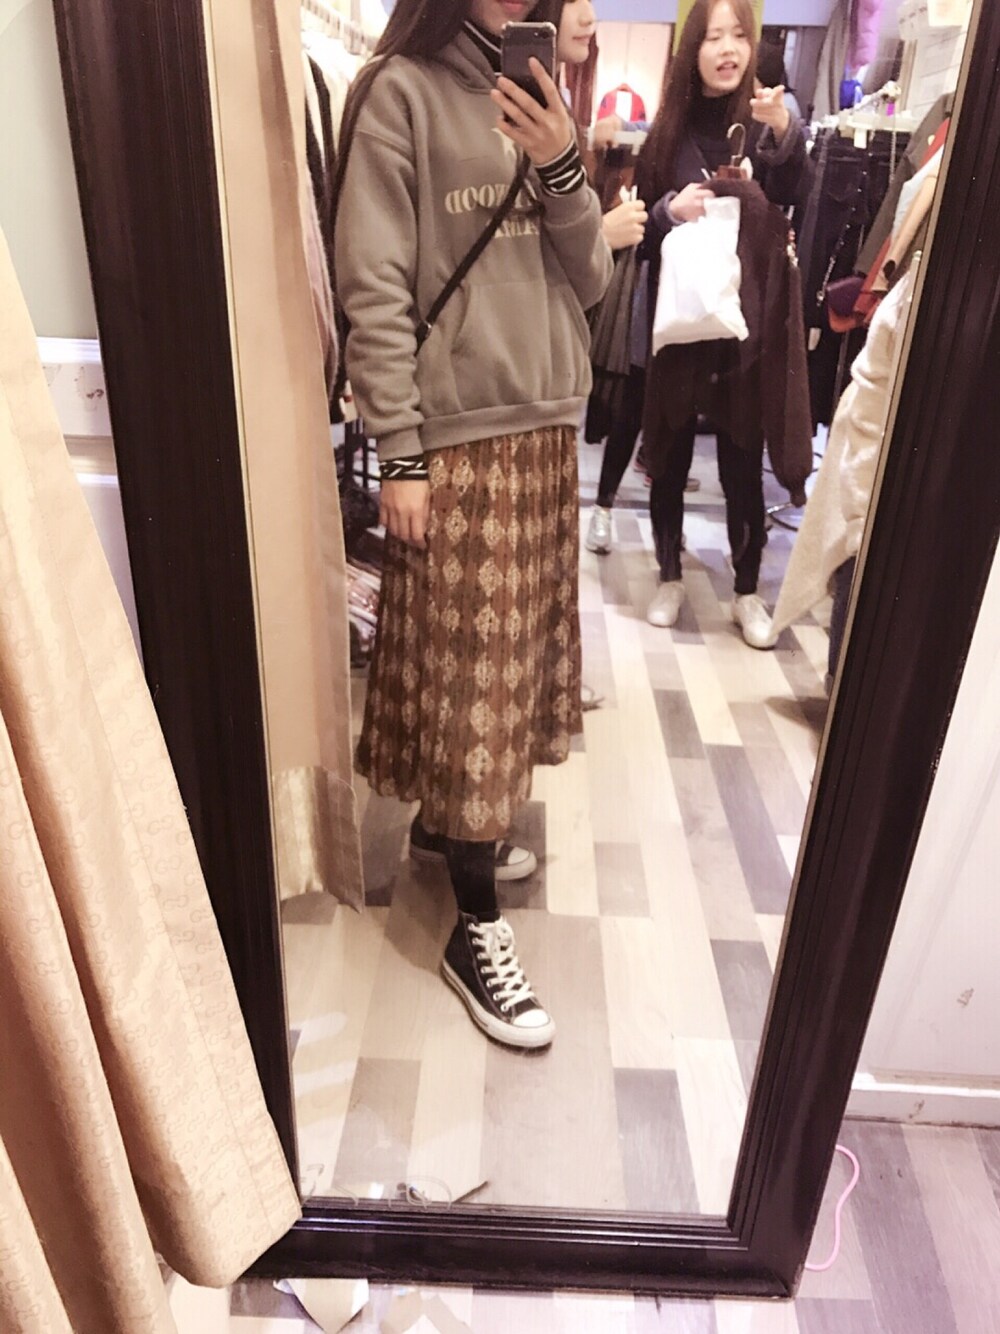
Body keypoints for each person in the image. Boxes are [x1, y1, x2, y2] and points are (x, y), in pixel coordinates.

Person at [334, 0, 612, 1050]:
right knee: (470, 683)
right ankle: (473, 922)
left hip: (543, 428)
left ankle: (452, 832)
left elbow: (590, 280)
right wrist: (400, 451)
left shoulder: (543, 93)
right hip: (455, 438)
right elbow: (371, 287)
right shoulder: (398, 94)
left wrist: (560, 163)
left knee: (502, 667)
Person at [629, 0, 812, 646]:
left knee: (741, 458)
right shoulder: (669, 134)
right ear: (693, 50)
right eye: (713, 37)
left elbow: (796, 197)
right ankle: (669, 575)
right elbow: (642, 228)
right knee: (670, 451)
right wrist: (667, 211)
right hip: (681, 321)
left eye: (739, 34)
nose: (728, 48)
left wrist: (785, 135)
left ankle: (746, 591)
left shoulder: (765, 126)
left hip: (745, 327)